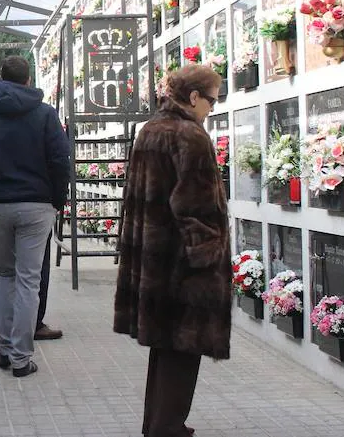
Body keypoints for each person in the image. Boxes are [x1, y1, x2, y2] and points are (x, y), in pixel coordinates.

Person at [114, 64, 231, 437]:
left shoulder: (150, 129)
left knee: (165, 347)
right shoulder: (190, 136)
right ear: (194, 96)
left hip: (154, 258)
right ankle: (168, 428)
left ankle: (158, 424)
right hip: (184, 264)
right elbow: (194, 208)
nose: (212, 108)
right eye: (211, 100)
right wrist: (208, 257)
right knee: (183, 348)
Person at [0, 55, 69, 378]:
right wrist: (56, 200)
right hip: (36, 206)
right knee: (28, 280)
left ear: (0, 78)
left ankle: (5, 349)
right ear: (28, 80)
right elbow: (60, 160)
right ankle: (22, 358)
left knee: (4, 276)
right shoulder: (45, 114)